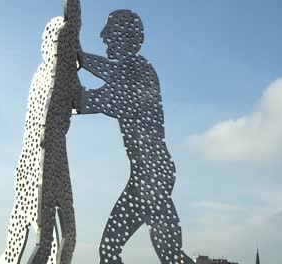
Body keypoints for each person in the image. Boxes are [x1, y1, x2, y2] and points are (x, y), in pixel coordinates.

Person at [77, 10, 194, 264]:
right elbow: (105, 70)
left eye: (109, 30)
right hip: (154, 173)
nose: (103, 35)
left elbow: (89, 101)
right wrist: (80, 57)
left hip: (150, 175)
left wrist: (69, 70)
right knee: (171, 256)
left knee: (110, 250)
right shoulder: (138, 69)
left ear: (124, 37)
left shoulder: (137, 75)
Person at [0, 1, 82, 264]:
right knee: (56, 240)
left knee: (27, 239)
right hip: (46, 164)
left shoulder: (40, 76)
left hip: (29, 164)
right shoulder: (61, 77)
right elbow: (82, 103)